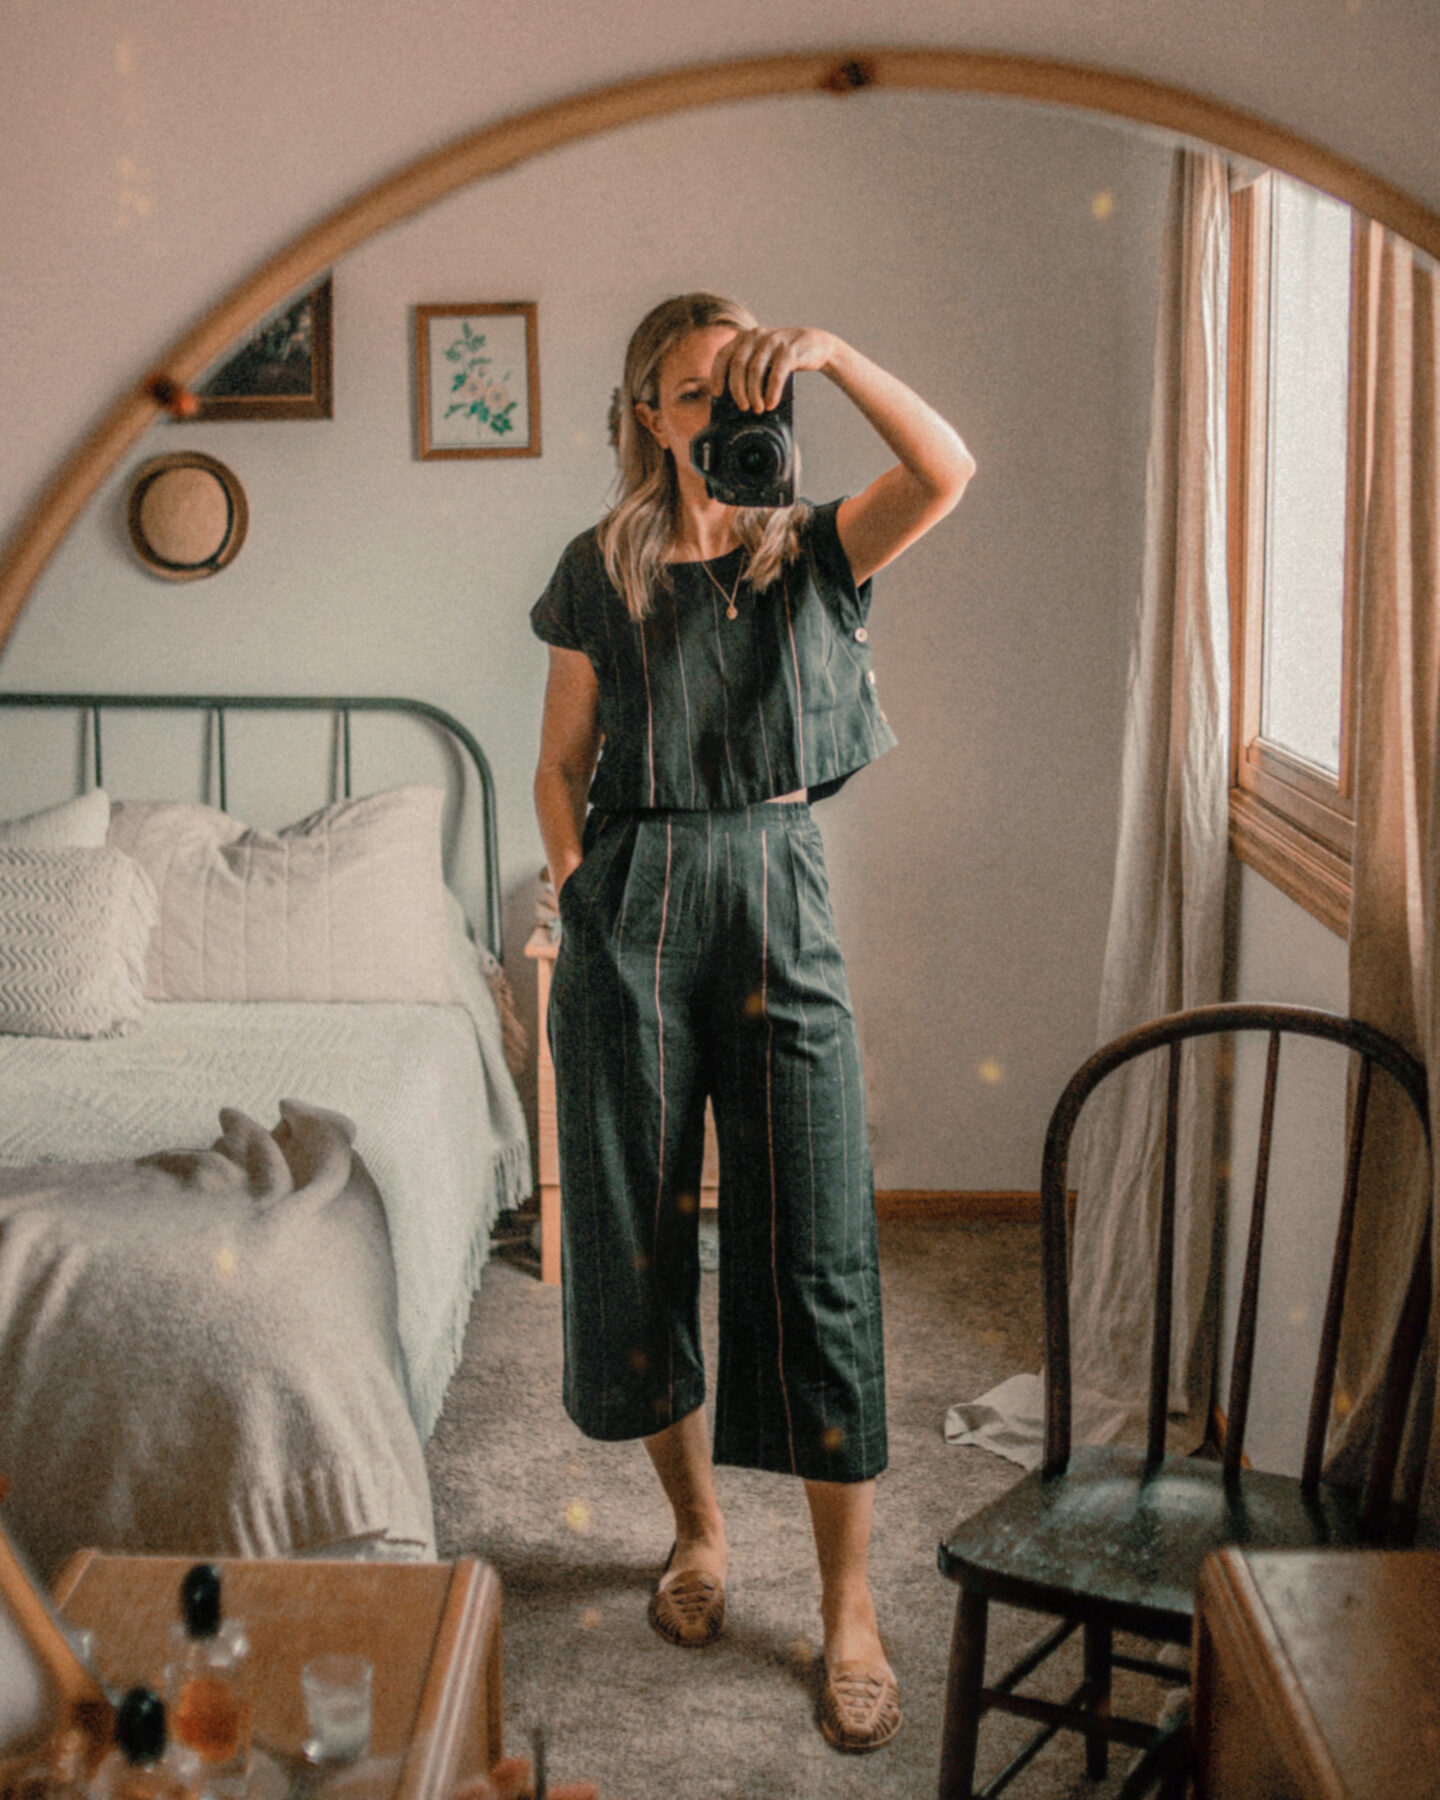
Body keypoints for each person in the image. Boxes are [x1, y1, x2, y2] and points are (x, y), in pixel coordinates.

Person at [531, 292, 974, 1753]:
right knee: (641, 1231)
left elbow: (951, 467)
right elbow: (559, 763)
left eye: (743, 382)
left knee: (820, 1245)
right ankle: (700, 1534)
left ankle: (850, 1605)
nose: (719, 409)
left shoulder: (819, 549)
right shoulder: (598, 572)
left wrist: (838, 356)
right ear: (645, 414)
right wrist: (583, 883)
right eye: (691, 389)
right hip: (636, 901)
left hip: (779, 888)